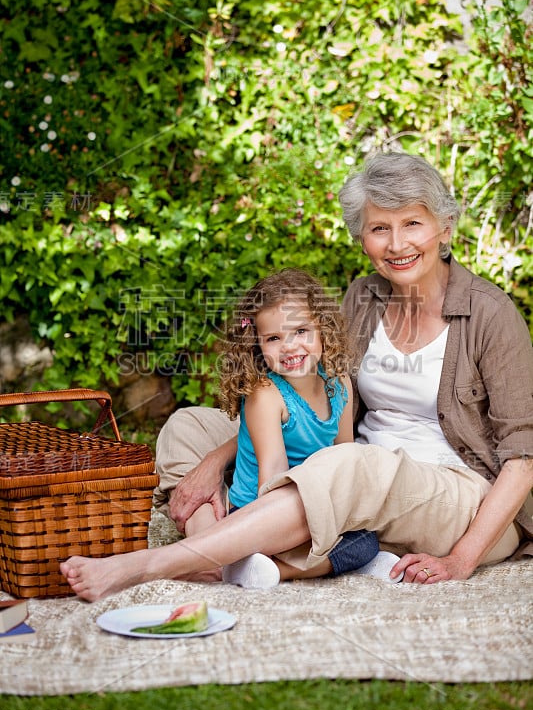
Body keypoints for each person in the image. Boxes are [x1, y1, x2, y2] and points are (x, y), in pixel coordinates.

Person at [61, 152, 533, 601]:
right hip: (355, 466)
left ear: (444, 226)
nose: (396, 244)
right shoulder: (363, 297)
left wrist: (462, 560)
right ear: (361, 236)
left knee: (349, 464)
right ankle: (220, 556)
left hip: (456, 495)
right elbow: (310, 394)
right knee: (191, 427)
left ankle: (152, 564)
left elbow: (523, 460)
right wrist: (215, 459)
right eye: (379, 228)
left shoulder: (490, 315)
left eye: (413, 223)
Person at [208, 268, 396, 587]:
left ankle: (280, 566)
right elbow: (272, 478)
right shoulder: (266, 395)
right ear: (257, 345)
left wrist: (343, 514)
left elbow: (344, 459)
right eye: (273, 338)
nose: (290, 347)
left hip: (314, 504)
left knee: (366, 539)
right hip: (259, 509)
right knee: (359, 546)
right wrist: (311, 524)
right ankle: (280, 565)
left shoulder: (339, 385)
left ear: (322, 329)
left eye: (301, 331)